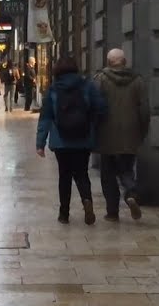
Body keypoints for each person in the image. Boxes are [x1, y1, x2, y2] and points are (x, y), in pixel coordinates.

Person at [35, 56, 107, 225]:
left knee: (64, 176)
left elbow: (45, 118)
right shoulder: (87, 86)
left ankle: (64, 213)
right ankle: (87, 200)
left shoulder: (53, 89)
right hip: (83, 139)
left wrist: (40, 143)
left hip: (61, 141)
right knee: (82, 173)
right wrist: (92, 126)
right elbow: (101, 108)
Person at [92, 49, 150, 222]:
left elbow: (94, 107)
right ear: (125, 61)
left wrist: (94, 130)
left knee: (108, 175)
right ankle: (131, 193)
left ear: (108, 62)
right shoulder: (138, 81)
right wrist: (142, 131)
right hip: (130, 133)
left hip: (106, 134)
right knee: (126, 170)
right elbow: (145, 110)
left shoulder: (100, 80)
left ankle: (112, 212)